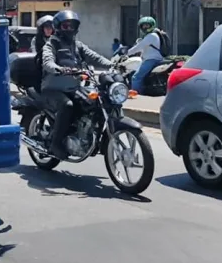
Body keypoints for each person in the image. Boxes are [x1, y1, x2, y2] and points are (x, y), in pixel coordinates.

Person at [40, 10, 114, 160]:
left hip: (72, 88)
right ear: (58, 27)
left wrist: (113, 64)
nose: (69, 29)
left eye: (72, 26)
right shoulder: (52, 43)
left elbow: (95, 57)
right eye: (66, 26)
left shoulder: (77, 45)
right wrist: (59, 69)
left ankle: (84, 135)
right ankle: (56, 144)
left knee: (92, 103)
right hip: (52, 89)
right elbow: (47, 61)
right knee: (67, 106)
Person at [126, 16, 164, 95]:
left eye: (147, 25)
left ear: (152, 25)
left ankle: (136, 94)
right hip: (154, 59)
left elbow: (139, 47)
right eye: (143, 25)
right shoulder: (153, 35)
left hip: (151, 59)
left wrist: (127, 52)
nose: (145, 27)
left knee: (136, 77)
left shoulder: (151, 36)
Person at [29, 15, 55, 89]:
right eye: (46, 28)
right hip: (41, 66)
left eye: (50, 28)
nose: (48, 30)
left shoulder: (56, 40)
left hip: (55, 64)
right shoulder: (36, 39)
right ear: (42, 29)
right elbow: (34, 53)